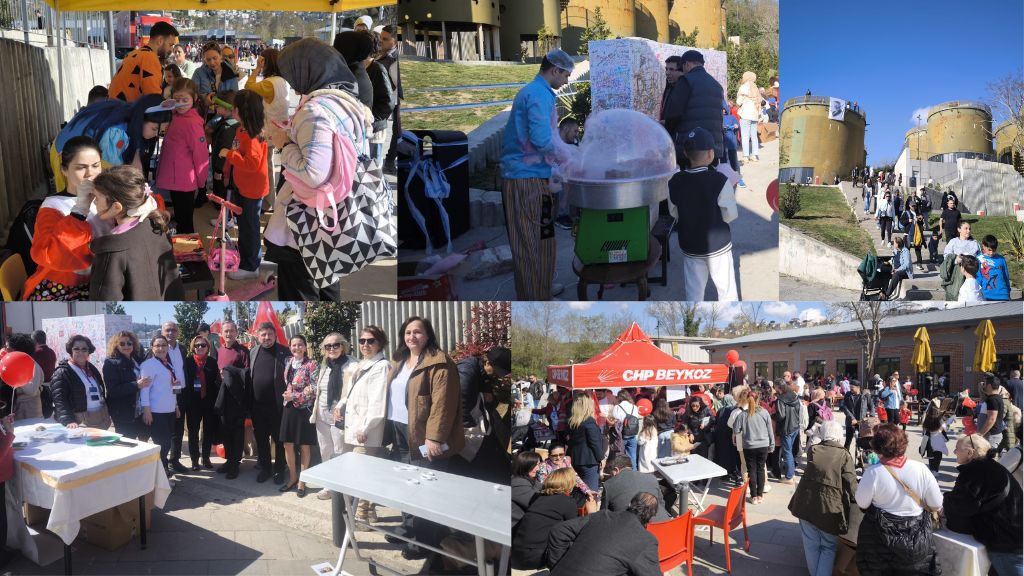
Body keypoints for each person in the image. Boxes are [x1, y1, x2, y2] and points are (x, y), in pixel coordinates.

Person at [263, 38, 369, 301]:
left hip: (306, 224)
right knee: (328, 288)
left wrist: (284, 143)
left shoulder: (315, 110)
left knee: (301, 293)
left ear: (306, 69)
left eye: (291, 71)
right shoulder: (345, 102)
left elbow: (314, 173)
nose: (289, 79)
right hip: (335, 218)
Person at [386, 317, 464, 560]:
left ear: (428, 335)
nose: (412, 336)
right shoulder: (399, 361)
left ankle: (424, 541)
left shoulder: (440, 363)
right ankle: (409, 528)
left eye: (417, 332)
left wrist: (434, 438)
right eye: (407, 332)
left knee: (424, 486)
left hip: (424, 435)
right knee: (406, 482)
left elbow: (444, 405)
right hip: (399, 430)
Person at [500, 49, 575, 300]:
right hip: (524, 179)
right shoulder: (536, 95)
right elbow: (543, 141)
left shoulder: (542, 93)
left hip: (536, 176)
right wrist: (570, 158)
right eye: (565, 76)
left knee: (544, 235)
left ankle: (541, 286)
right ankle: (534, 297)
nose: (566, 81)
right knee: (530, 241)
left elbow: (548, 138)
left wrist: (559, 163)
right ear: (555, 70)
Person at [855, 424, 942, 575]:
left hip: (880, 537)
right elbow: (936, 504)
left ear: (877, 447)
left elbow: (862, 503)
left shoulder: (873, 473)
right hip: (916, 534)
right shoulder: (921, 468)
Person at [23, 137, 103, 300]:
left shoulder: (106, 195)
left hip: (102, 278)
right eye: (81, 168)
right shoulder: (52, 207)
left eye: (96, 165)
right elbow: (48, 254)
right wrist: (80, 211)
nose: (90, 174)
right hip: (63, 287)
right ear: (64, 170)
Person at [86, 166, 184, 299]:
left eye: (97, 198)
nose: (94, 201)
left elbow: (104, 303)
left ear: (116, 207)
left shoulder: (111, 254)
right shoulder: (156, 225)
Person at [668, 126, 738, 301]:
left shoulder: (675, 181)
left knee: (694, 292)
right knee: (727, 290)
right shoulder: (721, 181)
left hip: (690, 246)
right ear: (710, 153)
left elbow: (673, 213)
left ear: (685, 152)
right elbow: (730, 214)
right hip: (719, 246)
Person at [944, 434, 1023, 576]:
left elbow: (961, 507)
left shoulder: (974, 471)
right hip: (1014, 534)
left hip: (1008, 543)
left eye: (957, 449)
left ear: (970, 452)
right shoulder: (990, 466)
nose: (954, 452)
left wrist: (945, 498)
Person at [789, 421, 858, 576]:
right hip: (829, 509)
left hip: (805, 504)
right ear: (839, 435)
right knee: (828, 547)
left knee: (811, 545)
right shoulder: (844, 455)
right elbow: (852, 487)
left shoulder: (814, 449)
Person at [334, 327, 390, 516]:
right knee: (359, 473)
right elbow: (350, 394)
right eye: (362, 341)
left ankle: (363, 514)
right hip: (353, 428)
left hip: (365, 432)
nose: (365, 344)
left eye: (370, 340)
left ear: (380, 343)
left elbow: (377, 402)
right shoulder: (361, 364)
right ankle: (369, 512)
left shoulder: (381, 366)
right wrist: (340, 405)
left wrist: (365, 428)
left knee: (363, 475)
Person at [546, 492, 662, 576]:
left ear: (629, 504)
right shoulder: (647, 540)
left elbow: (558, 531)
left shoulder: (602, 515)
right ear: (651, 517)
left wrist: (559, 565)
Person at [222, 90, 269, 281]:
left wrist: (229, 156)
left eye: (235, 108)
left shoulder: (251, 136)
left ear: (241, 112)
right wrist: (227, 170)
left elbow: (251, 163)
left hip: (252, 189)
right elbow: (235, 152)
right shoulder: (241, 130)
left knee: (249, 227)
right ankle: (249, 258)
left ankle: (251, 266)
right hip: (244, 186)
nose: (232, 110)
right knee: (245, 225)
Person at [154, 78, 209, 235]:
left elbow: (201, 155)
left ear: (195, 99)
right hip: (178, 180)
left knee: (186, 221)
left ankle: (191, 258)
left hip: (185, 181)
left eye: (185, 100)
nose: (181, 104)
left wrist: (201, 181)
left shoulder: (192, 123)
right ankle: (185, 252)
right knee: (181, 217)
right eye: (177, 100)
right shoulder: (177, 116)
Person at [512, 468, 593, 570]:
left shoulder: (540, 498)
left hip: (517, 555)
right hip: (535, 558)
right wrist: (591, 513)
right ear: (569, 482)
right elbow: (574, 532)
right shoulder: (567, 502)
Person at [663, 49, 726, 164]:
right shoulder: (716, 85)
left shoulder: (686, 81)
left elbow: (674, 115)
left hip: (691, 148)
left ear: (686, 64)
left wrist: (666, 129)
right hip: (712, 149)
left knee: (690, 180)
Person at [248, 322, 290, 484]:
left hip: (278, 407)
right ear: (258, 336)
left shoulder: (284, 352)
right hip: (258, 406)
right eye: (263, 335)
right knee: (261, 439)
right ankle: (265, 468)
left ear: (275, 335)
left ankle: (279, 468)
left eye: (269, 334)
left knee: (279, 440)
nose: (266, 338)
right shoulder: (253, 352)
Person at [310, 333, 351, 500]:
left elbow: (352, 391)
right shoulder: (325, 364)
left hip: (339, 416)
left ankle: (342, 488)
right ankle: (328, 484)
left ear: (343, 346)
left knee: (340, 451)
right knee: (325, 450)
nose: (332, 349)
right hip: (322, 414)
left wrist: (341, 407)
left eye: (336, 345)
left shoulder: (351, 364)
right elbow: (321, 388)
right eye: (328, 346)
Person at [244, 48, 290, 194]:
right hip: (282, 128)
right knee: (275, 165)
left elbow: (248, 87)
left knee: (267, 166)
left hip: (269, 129)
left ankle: (268, 200)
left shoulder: (269, 83)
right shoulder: (283, 80)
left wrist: (257, 68)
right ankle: (271, 198)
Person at [278, 335, 318, 496]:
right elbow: (289, 382)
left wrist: (294, 396)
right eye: (294, 345)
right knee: (287, 444)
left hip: (303, 409)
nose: (297, 348)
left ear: (305, 346)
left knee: (304, 445)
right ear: (290, 347)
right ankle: (293, 477)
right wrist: (288, 393)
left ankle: (302, 481)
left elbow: (314, 388)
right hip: (288, 408)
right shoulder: (288, 362)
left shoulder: (312, 365)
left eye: (300, 344)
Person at [139, 335, 182, 476]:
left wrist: (176, 406)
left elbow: (173, 387)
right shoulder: (148, 365)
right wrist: (146, 410)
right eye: (157, 345)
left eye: (163, 345)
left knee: (166, 443)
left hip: (169, 410)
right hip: (156, 411)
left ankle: (161, 468)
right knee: (163, 444)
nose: (161, 348)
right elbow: (144, 390)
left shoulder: (168, 364)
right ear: (152, 348)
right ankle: (159, 469)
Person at [50, 335, 111, 429]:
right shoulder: (62, 372)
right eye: (76, 349)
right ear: (71, 351)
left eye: (84, 349)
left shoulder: (91, 368)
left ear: (89, 351)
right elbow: (59, 400)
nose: (80, 352)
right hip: (81, 420)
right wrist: (68, 420)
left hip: (101, 417)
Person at [108, 21, 179, 102]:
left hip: (115, 109)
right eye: (170, 45)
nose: (171, 50)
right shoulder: (149, 58)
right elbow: (153, 98)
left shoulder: (133, 54)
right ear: (160, 40)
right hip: (127, 111)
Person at [183, 334, 220, 471]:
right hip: (193, 403)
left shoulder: (212, 362)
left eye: (203, 345)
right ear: (193, 347)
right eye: (197, 345)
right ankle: (194, 460)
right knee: (193, 432)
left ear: (207, 347)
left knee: (208, 432)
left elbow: (216, 381)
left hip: (209, 402)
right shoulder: (187, 362)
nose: (200, 347)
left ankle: (206, 458)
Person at [102, 331, 149, 440]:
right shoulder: (111, 363)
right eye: (122, 344)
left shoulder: (136, 360)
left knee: (143, 444)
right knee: (128, 445)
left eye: (129, 343)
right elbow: (113, 391)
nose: (126, 346)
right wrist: (136, 385)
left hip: (140, 412)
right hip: (124, 414)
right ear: (116, 346)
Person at [733, 388, 774, 504]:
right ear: (758, 399)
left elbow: (736, 430)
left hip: (749, 446)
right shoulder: (764, 412)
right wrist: (772, 445)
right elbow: (770, 431)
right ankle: (760, 496)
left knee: (751, 470)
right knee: (761, 469)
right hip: (763, 445)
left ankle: (754, 496)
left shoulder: (742, 415)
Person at [602, 453, 672, 521]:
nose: (610, 476)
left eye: (610, 473)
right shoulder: (651, 478)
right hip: (663, 524)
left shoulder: (608, 485)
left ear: (616, 470)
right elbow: (662, 503)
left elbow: (603, 515)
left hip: (632, 528)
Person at [365, 32, 396, 165]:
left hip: (375, 130)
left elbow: (388, 103)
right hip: (365, 130)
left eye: (386, 39)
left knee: (372, 173)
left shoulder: (378, 68)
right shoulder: (360, 67)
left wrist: (371, 119)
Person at [567, 394, 603, 492]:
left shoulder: (572, 422)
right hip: (589, 461)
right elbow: (595, 443)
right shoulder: (589, 422)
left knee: (579, 491)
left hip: (575, 459)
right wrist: (601, 458)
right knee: (591, 493)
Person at [192, 41, 239, 109]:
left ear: (221, 56)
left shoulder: (231, 73)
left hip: (225, 115)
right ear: (204, 59)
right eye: (208, 60)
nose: (212, 62)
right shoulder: (198, 73)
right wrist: (204, 99)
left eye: (215, 58)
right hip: (205, 114)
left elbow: (235, 98)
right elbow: (192, 94)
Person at [773, 378, 802, 484]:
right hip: (795, 427)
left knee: (787, 452)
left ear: (777, 387)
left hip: (787, 428)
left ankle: (789, 476)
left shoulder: (780, 399)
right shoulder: (793, 395)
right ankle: (792, 473)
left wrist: (772, 416)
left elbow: (781, 416)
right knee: (789, 451)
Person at [512, 450, 542, 532]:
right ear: (525, 466)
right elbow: (538, 504)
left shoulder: (529, 478)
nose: (538, 468)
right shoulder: (518, 483)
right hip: (519, 529)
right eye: (534, 465)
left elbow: (544, 487)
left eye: (538, 464)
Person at [977, 374, 1008, 450]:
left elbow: (991, 419)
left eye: (985, 384)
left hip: (990, 436)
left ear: (989, 386)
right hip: (991, 435)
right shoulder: (995, 398)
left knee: (986, 459)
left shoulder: (992, 400)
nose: (983, 386)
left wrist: (980, 434)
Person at [735, 71, 761, 163]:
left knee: (745, 136)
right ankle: (754, 155)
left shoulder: (743, 87)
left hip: (745, 114)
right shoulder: (756, 89)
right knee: (754, 136)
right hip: (755, 115)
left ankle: (746, 156)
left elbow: (738, 102)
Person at [977, 235, 1010, 301]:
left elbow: (1006, 276)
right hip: (987, 295)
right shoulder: (979, 259)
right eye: (989, 250)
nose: (991, 252)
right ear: (983, 246)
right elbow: (978, 277)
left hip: (1003, 295)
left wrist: (1008, 291)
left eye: (994, 250)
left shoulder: (1001, 259)